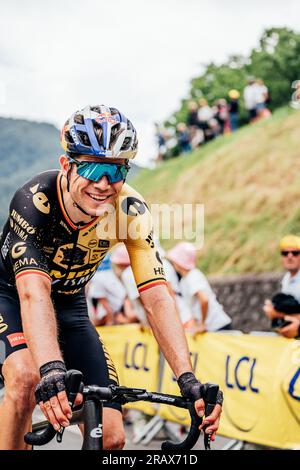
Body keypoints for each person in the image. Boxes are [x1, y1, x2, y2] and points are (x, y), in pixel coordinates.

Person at [0, 105, 222, 450]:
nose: (104, 184)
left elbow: (157, 295)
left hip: (71, 306)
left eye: (116, 171)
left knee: (112, 436)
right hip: (12, 297)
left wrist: (187, 378)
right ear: (66, 166)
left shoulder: (130, 210)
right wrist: (51, 370)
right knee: (28, 378)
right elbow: (33, 293)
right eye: (92, 167)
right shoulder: (36, 201)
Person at [167, 242, 232, 333]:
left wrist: (202, 324)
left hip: (218, 326)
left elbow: (204, 300)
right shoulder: (184, 280)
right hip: (212, 328)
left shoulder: (193, 276)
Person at [263, 235, 300, 339]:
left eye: (295, 253)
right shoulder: (286, 279)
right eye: (285, 253)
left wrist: (276, 313)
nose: (290, 256)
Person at [87, 254, 127, 326]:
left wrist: (110, 323)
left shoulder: (98, 278)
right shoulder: (110, 274)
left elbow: (105, 304)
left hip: (119, 311)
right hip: (121, 308)